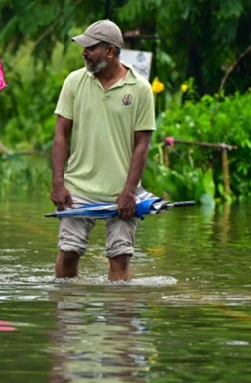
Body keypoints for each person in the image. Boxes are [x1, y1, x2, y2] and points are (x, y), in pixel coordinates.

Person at [50, 19, 156, 281]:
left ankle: (120, 320)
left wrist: (130, 192)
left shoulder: (140, 88)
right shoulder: (74, 82)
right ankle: (66, 315)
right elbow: (61, 134)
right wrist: (58, 184)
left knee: (120, 258)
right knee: (68, 252)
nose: (83, 52)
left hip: (121, 190)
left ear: (110, 51)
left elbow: (142, 144)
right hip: (79, 189)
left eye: (90, 47)